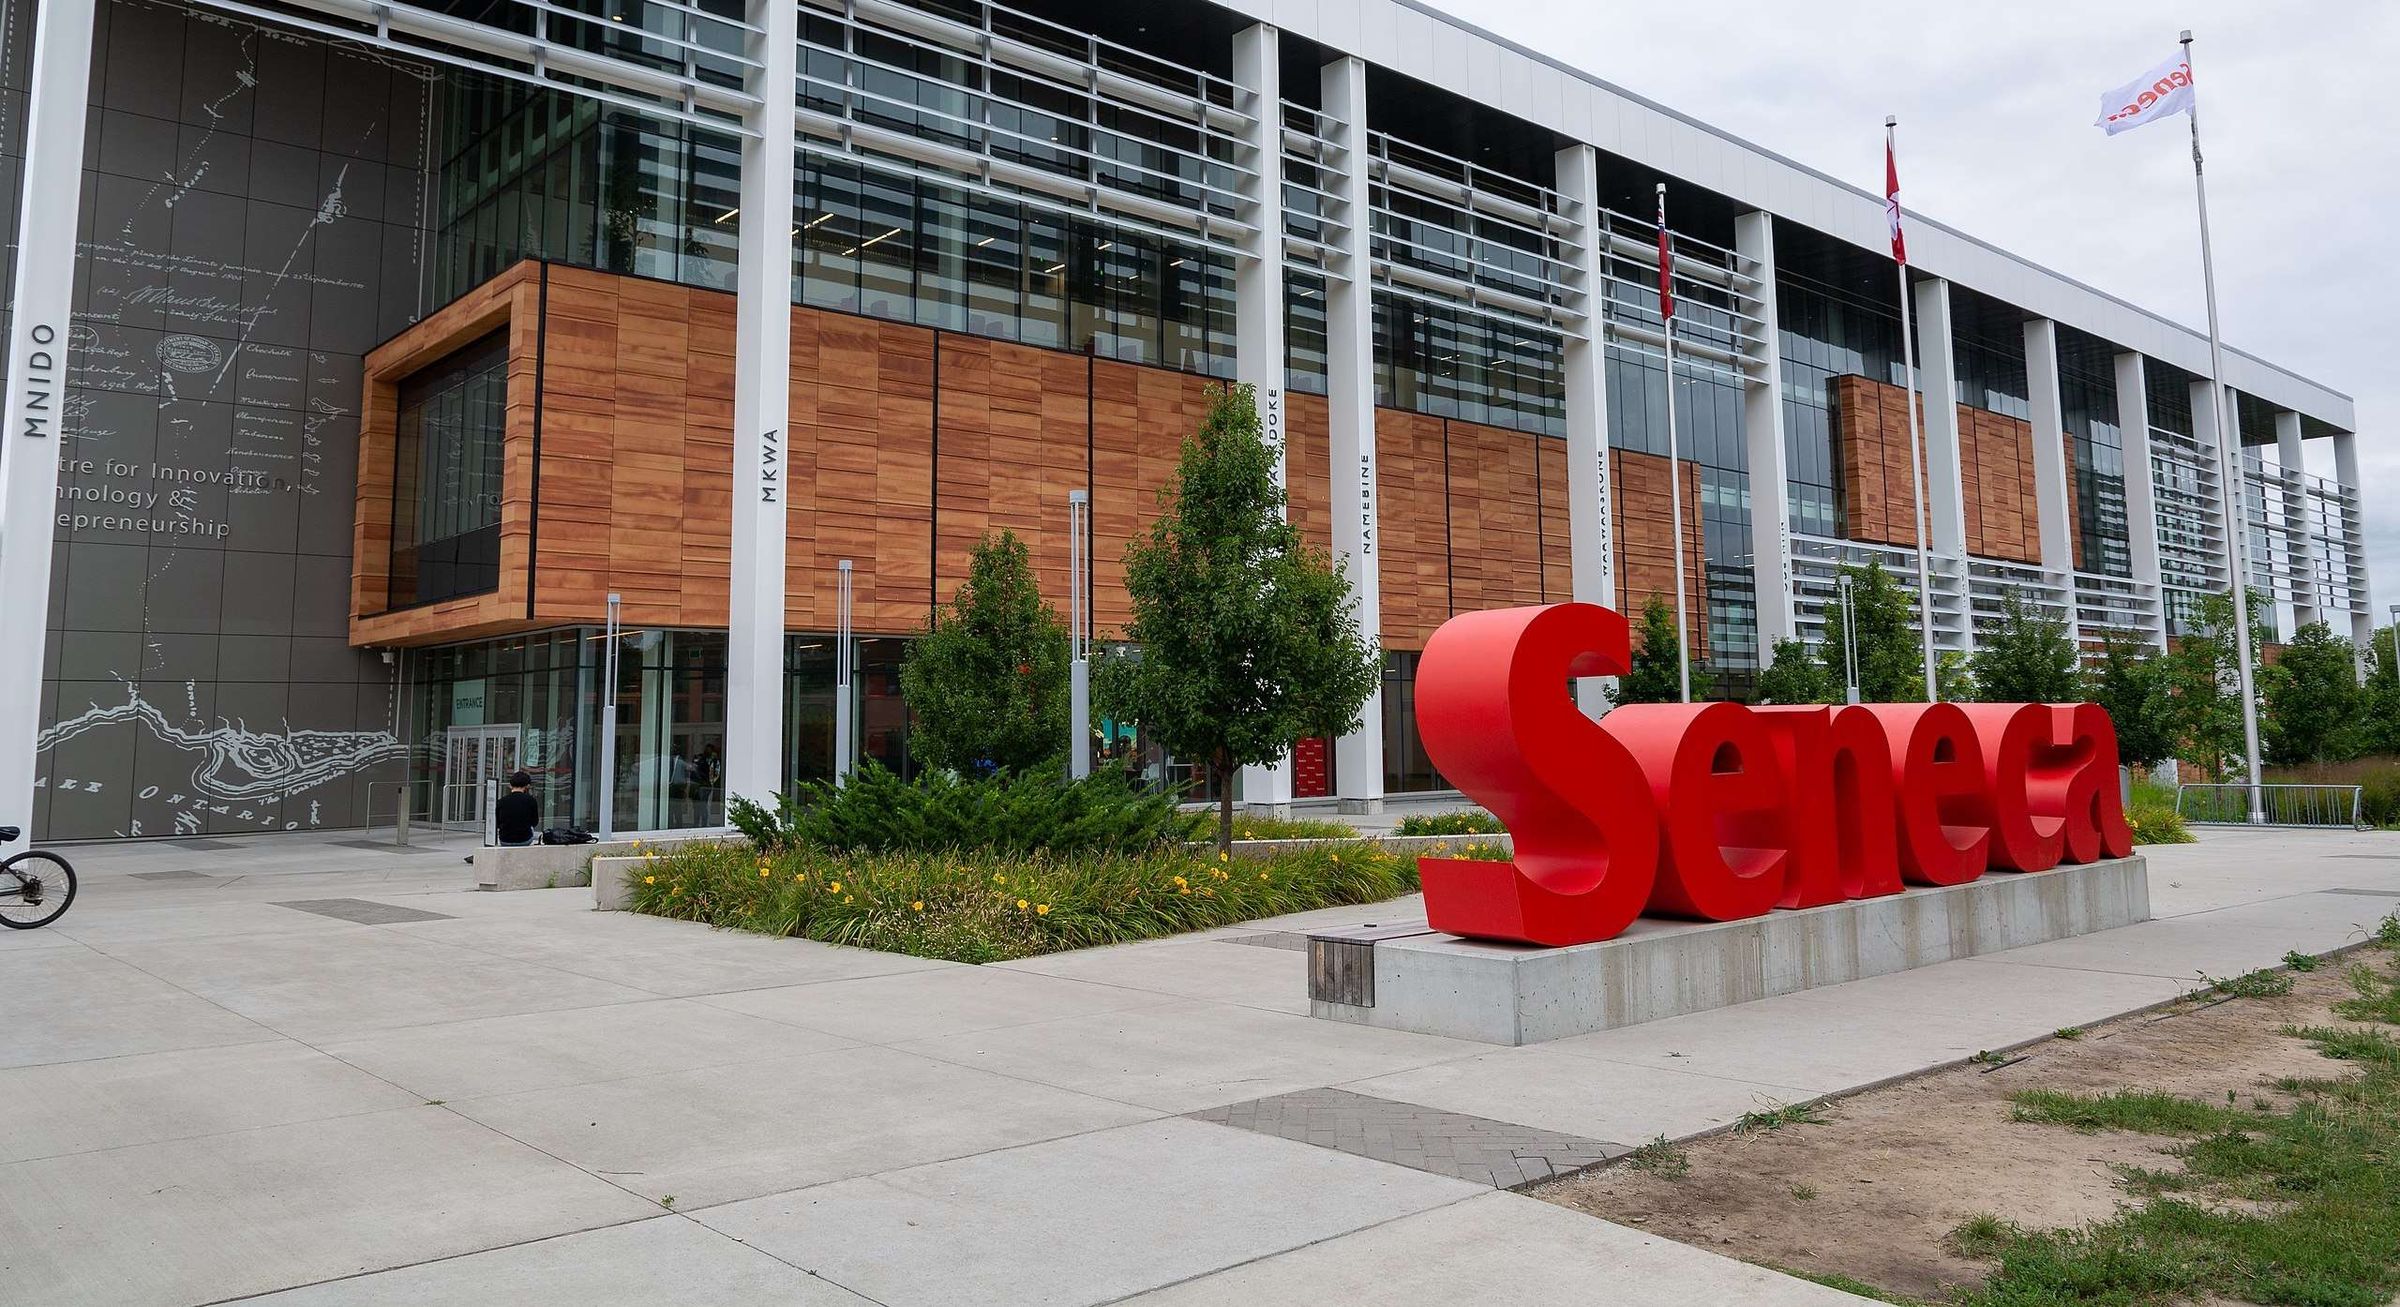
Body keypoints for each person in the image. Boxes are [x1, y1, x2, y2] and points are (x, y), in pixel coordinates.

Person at [494, 770, 540, 847]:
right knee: (531, 829)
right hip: (524, 840)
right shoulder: (531, 800)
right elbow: (534, 822)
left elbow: (498, 823)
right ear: (527, 786)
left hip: (505, 840)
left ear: (510, 785)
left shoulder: (501, 801)